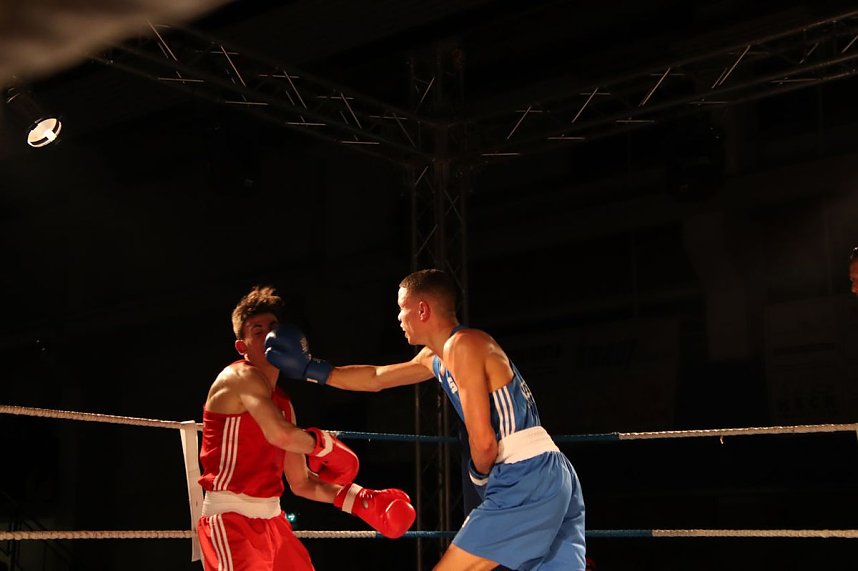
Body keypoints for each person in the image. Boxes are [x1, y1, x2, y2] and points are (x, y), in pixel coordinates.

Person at [266, 269, 587, 571]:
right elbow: (377, 377)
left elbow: (484, 442)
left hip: (523, 474)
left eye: (401, 309)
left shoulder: (463, 346)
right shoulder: (438, 356)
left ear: (422, 310)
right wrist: (313, 370)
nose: (398, 318)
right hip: (551, 472)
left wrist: (479, 479)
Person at [197, 285, 416, 571]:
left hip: (273, 520)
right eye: (257, 330)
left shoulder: (284, 403)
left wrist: (360, 498)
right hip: (231, 520)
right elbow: (280, 434)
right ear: (243, 346)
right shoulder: (238, 376)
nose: (267, 336)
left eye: (272, 327)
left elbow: (301, 483)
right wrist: (323, 445)